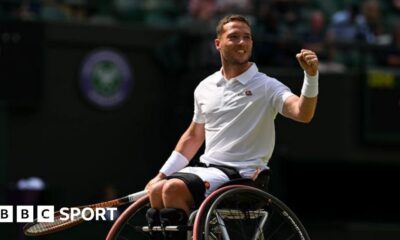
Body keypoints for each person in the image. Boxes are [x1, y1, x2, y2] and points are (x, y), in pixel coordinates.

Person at [145, 14, 319, 240]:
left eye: (246, 37)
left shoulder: (266, 86)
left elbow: (303, 113)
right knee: (158, 191)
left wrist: (311, 76)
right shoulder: (205, 87)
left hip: (245, 176)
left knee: (172, 189)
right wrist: (161, 175)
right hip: (209, 171)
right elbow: (193, 136)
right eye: (234, 37)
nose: (242, 42)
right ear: (218, 43)